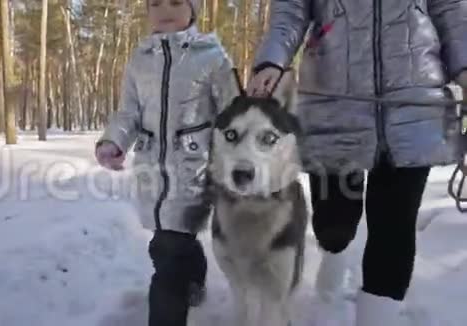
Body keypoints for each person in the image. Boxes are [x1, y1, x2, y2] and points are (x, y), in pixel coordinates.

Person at [248, 0, 467, 325]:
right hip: (333, 101)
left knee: (395, 227)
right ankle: (334, 253)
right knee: (334, 224)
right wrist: (271, 62)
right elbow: (290, 12)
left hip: (413, 104)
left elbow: (451, 11)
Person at [94, 1, 240, 325]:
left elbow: (233, 115)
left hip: (194, 172)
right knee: (173, 240)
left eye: (176, 1)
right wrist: (113, 141)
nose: (165, 10)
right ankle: (195, 278)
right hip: (151, 173)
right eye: (156, 3)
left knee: (167, 251)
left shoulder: (212, 57)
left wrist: (237, 164)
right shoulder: (140, 59)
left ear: (193, 8)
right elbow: (128, 112)